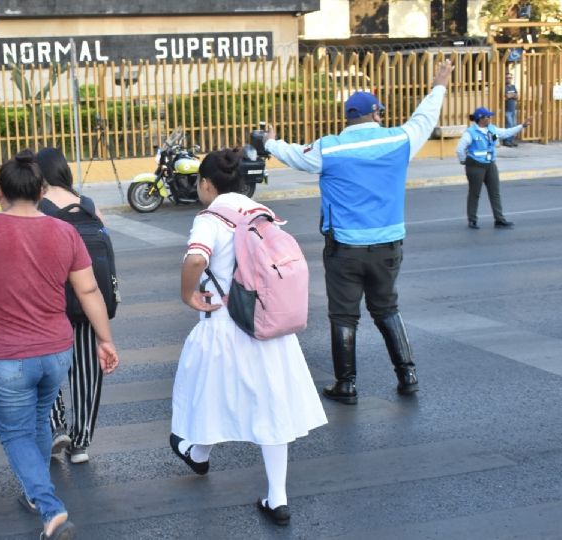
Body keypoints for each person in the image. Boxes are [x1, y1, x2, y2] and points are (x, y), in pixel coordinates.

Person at [262, 59, 456, 404]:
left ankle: (346, 385)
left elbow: (293, 155)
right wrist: (439, 84)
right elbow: (425, 118)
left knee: (343, 315)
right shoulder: (400, 140)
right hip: (388, 247)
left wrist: (270, 143)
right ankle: (407, 375)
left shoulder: (330, 147)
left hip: (344, 249)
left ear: (348, 118)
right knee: (386, 309)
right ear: (377, 114)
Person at [0, 149, 120, 540]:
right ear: (42, 190)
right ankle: (35, 494)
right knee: (39, 420)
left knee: (15, 434)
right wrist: (105, 340)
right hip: (56, 352)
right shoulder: (65, 232)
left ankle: (50, 507)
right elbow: (89, 289)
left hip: (7, 357)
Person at [169, 148, 327, 527]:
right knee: (270, 408)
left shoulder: (210, 218)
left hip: (227, 323)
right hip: (267, 324)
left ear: (206, 184)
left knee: (209, 393)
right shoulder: (260, 213)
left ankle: (198, 450)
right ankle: (278, 498)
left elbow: (195, 259)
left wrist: (187, 294)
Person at [36, 147, 107, 465]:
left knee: (45, 367)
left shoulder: (41, 208)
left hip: (51, 302)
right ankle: (81, 443)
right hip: (88, 301)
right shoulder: (90, 206)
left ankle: (55, 427)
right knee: (87, 371)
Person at [456, 107, 530, 230]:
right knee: (475, 193)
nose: (490, 119)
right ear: (480, 119)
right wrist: (463, 161)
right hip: (475, 165)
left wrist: (522, 126)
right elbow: (460, 149)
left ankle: (499, 219)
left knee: (495, 193)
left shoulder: (491, 129)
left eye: (490, 117)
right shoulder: (470, 132)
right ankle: (472, 220)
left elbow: (505, 133)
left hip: (490, 164)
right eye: (487, 117)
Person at [502, 73, 519, 147]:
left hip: (513, 109)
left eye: (510, 78)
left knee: (514, 126)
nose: (508, 79)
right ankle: (507, 141)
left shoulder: (513, 86)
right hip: (507, 109)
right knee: (509, 125)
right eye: (507, 78)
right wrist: (512, 95)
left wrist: (512, 96)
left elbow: (517, 96)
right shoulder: (504, 87)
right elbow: (507, 96)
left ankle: (511, 140)